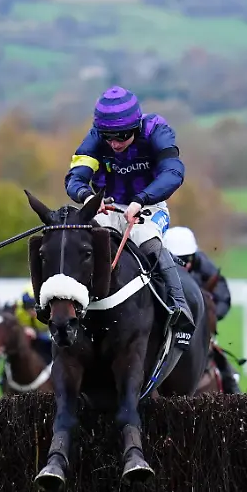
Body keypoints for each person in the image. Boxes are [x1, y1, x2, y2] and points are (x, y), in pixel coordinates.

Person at [59, 85, 195, 347]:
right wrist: (88, 198)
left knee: (146, 238)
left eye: (121, 136)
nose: (114, 143)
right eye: (108, 137)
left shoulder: (156, 130)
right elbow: (75, 177)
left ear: (135, 127)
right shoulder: (96, 138)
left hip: (149, 205)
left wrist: (141, 199)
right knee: (82, 239)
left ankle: (179, 307)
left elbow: (173, 173)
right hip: (107, 206)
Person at [162, 226, 240, 393]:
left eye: (184, 259)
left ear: (192, 258)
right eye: (175, 259)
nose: (181, 265)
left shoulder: (206, 268)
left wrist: (205, 320)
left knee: (224, 366)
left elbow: (223, 298)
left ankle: (234, 393)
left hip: (201, 329)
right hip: (168, 325)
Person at [15, 282, 53, 365]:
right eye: (27, 308)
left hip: (48, 339)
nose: (31, 312)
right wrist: (23, 329)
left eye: (34, 308)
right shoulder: (19, 310)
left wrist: (37, 334)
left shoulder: (51, 311)